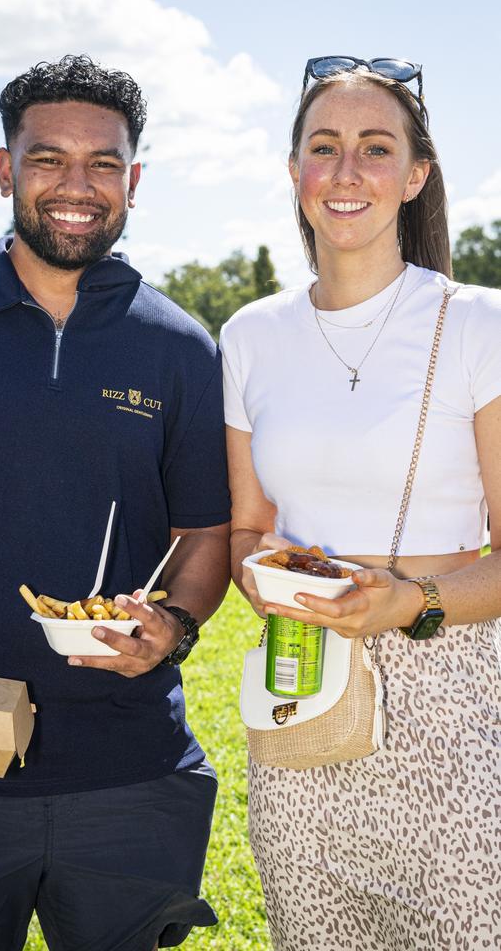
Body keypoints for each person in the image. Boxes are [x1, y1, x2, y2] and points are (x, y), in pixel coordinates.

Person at [0, 54, 230, 951]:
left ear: (133, 180)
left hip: (131, 780)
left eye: (103, 164)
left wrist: (174, 624)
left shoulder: (180, 346)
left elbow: (205, 533)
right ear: (3, 169)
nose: (76, 186)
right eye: (46, 158)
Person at [220, 56, 501, 950]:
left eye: (375, 149)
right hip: (302, 691)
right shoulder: (249, 335)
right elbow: (246, 530)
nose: (346, 173)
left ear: (416, 176)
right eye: (324, 147)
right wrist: (262, 580)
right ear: (294, 169)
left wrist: (405, 603)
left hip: (452, 701)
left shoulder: (479, 324)